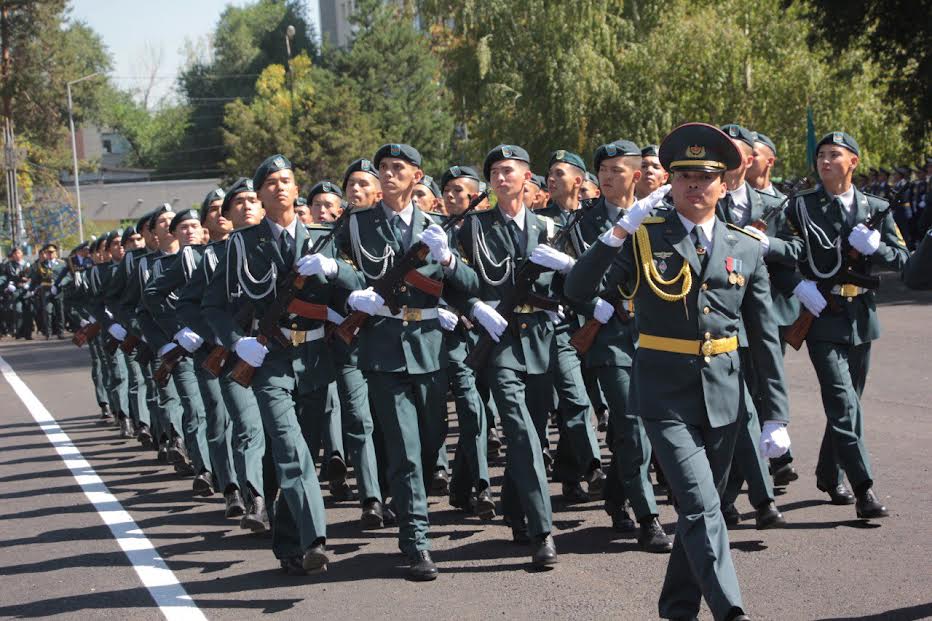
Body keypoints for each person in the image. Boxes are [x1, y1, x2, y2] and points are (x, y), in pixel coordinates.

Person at [565, 122, 790, 621]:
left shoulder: (746, 247)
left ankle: (677, 606)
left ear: (726, 183)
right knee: (701, 504)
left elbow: (766, 337)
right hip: (665, 394)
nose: (694, 185)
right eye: (684, 176)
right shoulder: (644, 238)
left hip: (726, 397)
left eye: (706, 176)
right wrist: (619, 231)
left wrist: (776, 415)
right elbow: (578, 290)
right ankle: (731, 608)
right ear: (670, 181)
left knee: (703, 507)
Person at [335, 143, 479, 581]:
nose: (389, 174)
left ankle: (405, 499)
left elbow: (469, 285)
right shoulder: (355, 226)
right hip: (383, 348)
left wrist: (448, 258)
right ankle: (417, 542)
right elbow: (331, 271)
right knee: (407, 452)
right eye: (384, 168)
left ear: (418, 176)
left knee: (432, 441)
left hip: (430, 346)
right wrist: (349, 289)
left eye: (398, 168)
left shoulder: (438, 227)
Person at [203, 155, 348, 575]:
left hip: (316, 360)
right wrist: (237, 343)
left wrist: (339, 274)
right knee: (289, 450)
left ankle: (287, 542)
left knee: (303, 452)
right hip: (270, 362)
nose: (279, 187)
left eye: (286, 180)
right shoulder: (240, 245)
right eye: (269, 183)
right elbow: (213, 306)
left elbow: (347, 295)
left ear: (295, 188)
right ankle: (315, 538)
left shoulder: (322, 238)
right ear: (261, 195)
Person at [783, 131, 907, 517]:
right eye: (820, 155)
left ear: (853, 161)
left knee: (848, 404)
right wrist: (800, 288)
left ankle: (827, 471)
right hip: (822, 316)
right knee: (842, 404)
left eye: (834, 155)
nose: (824, 161)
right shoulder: (800, 206)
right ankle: (864, 488)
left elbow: (904, 261)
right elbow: (777, 255)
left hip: (862, 318)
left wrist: (877, 248)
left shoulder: (876, 206)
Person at [456, 144, 561, 570]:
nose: (501, 179)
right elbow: (454, 279)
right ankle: (543, 531)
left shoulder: (548, 227)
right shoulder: (471, 228)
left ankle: (516, 509)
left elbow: (564, 288)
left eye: (509, 171)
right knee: (519, 432)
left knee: (536, 428)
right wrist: (472, 306)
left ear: (527, 178)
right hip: (499, 341)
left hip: (540, 337)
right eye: (495, 172)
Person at [564, 139, 672, 551]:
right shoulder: (582, 222)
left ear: (637, 175)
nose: (607, 177)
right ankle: (649, 518)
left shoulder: (660, 216)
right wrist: (596, 307)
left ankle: (614, 495)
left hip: (654, 332)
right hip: (608, 335)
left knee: (642, 427)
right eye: (602, 170)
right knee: (629, 426)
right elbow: (571, 283)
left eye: (617, 170)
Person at [716, 123, 789, 528]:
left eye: (734, 153)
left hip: (762, 316)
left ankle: (733, 498)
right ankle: (758, 500)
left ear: (747, 160)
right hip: (720, 324)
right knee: (739, 413)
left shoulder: (770, 202)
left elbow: (797, 248)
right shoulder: (706, 200)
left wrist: (769, 245)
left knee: (750, 409)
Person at [746, 132, 783, 198]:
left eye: (754, 155)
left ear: (770, 162)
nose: (747, 159)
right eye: (745, 154)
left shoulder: (784, 203)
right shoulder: (728, 198)